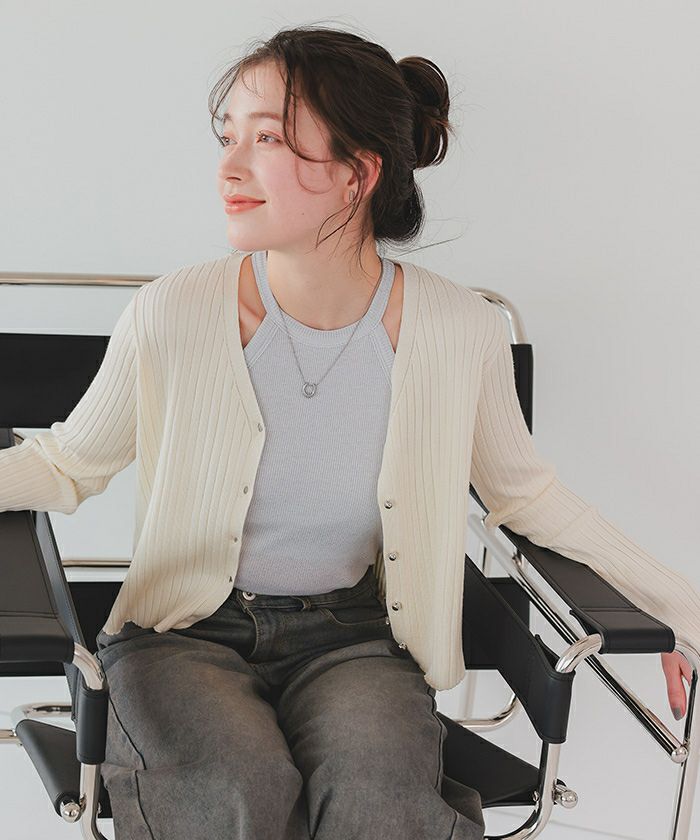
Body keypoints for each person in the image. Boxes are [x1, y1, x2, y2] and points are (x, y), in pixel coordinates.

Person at [1, 22, 697, 840]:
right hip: (182, 635)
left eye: (268, 139)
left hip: (357, 638)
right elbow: (66, 464)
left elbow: (529, 497)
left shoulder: (459, 329)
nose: (229, 167)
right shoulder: (173, 311)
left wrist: (681, 609)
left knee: (381, 800)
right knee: (236, 788)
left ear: (357, 173)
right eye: (229, 137)